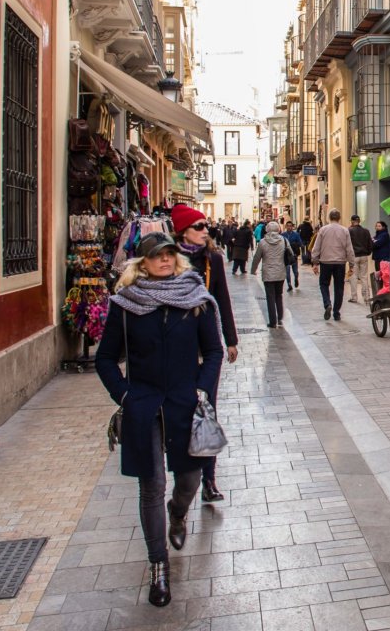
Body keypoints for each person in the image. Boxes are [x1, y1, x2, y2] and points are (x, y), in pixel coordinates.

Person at [93, 232, 223, 608]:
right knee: (151, 486)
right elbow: (105, 359)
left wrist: (201, 389)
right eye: (157, 255)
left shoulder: (196, 299)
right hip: (144, 406)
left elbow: (213, 351)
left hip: (185, 403)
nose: (165, 260)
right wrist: (125, 395)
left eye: (169, 254)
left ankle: (177, 513)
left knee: (191, 478)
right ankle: (158, 566)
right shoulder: (127, 303)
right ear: (143, 263)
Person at [171, 204, 238, 503]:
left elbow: (222, 298)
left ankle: (209, 479)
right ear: (182, 231)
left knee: (207, 409)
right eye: (198, 226)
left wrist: (231, 340)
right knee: (180, 411)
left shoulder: (213, 259)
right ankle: (183, 477)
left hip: (207, 345)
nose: (205, 230)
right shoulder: (168, 259)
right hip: (177, 345)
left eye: (205, 225)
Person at [310, 209, 356, 321]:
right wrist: (351, 264)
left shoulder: (323, 230)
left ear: (329, 218)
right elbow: (349, 248)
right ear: (339, 218)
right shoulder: (344, 230)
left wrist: (315, 262)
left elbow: (316, 247)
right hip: (340, 263)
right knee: (339, 287)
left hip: (325, 262)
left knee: (324, 284)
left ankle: (327, 304)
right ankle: (336, 312)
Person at [250, 221, 292, 328]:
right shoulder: (284, 240)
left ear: (267, 230)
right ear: (278, 229)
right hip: (280, 273)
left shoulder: (263, 242)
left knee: (270, 297)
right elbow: (290, 252)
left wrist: (253, 270)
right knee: (279, 295)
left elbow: (257, 257)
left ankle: (272, 321)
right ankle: (280, 319)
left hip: (268, 274)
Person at [347, 215, 374, 304]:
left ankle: (354, 297)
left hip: (354, 256)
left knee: (353, 276)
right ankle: (366, 297)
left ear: (352, 221)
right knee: (364, 277)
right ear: (359, 221)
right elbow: (370, 244)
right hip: (364, 256)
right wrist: (368, 252)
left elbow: (347, 244)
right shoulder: (366, 231)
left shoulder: (349, 231)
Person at [282, 221, 304, 293]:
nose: (289, 227)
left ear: (292, 227)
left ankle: (296, 279)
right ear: (286, 227)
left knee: (295, 271)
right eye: (288, 226)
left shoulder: (296, 235)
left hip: (294, 255)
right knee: (287, 272)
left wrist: (298, 246)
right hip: (286, 256)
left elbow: (300, 243)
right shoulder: (283, 235)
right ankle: (289, 285)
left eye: (290, 226)